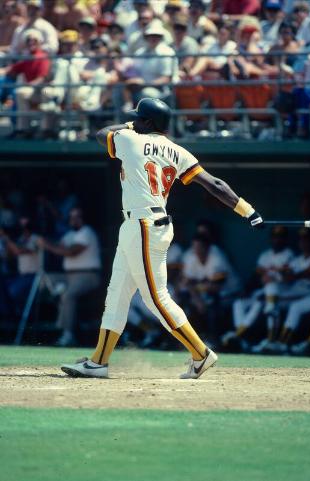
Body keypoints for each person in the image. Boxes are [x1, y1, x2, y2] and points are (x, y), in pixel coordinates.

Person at [61, 97, 264, 379]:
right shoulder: (178, 150)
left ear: (148, 122)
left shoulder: (130, 139)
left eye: (139, 118)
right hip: (142, 224)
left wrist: (129, 125)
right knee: (117, 293)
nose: (134, 121)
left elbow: (100, 133)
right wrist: (248, 210)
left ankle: (201, 353)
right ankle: (98, 362)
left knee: (156, 298)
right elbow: (214, 185)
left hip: (144, 223)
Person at [38, 207, 101, 347]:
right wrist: (43, 240)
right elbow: (58, 246)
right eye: (71, 217)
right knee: (45, 279)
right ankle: (58, 292)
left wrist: (47, 245)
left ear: (83, 218)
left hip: (87, 275)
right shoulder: (69, 234)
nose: (73, 219)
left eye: (76, 216)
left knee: (68, 296)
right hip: (68, 276)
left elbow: (71, 252)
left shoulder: (87, 232)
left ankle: (68, 335)